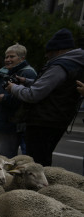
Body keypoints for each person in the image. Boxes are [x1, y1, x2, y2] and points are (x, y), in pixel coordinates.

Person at [7, 28, 84, 166]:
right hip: (56, 118)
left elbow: (34, 94)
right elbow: (55, 87)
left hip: (44, 120)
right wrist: (26, 81)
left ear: (59, 50)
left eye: (49, 53)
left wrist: (14, 88)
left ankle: (38, 188)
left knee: (36, 163)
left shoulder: (60, 66)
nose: (47, 57)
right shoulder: (75, 64)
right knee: (41, 160)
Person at [0, 44, 36, 158]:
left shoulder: (27, 73)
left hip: (11, 125)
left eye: (12, 57)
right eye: (6, 57)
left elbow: (28, 97)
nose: (8, 60)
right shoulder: (6, 73)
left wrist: (5, 98)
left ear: (22, 58)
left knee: (3, 160)